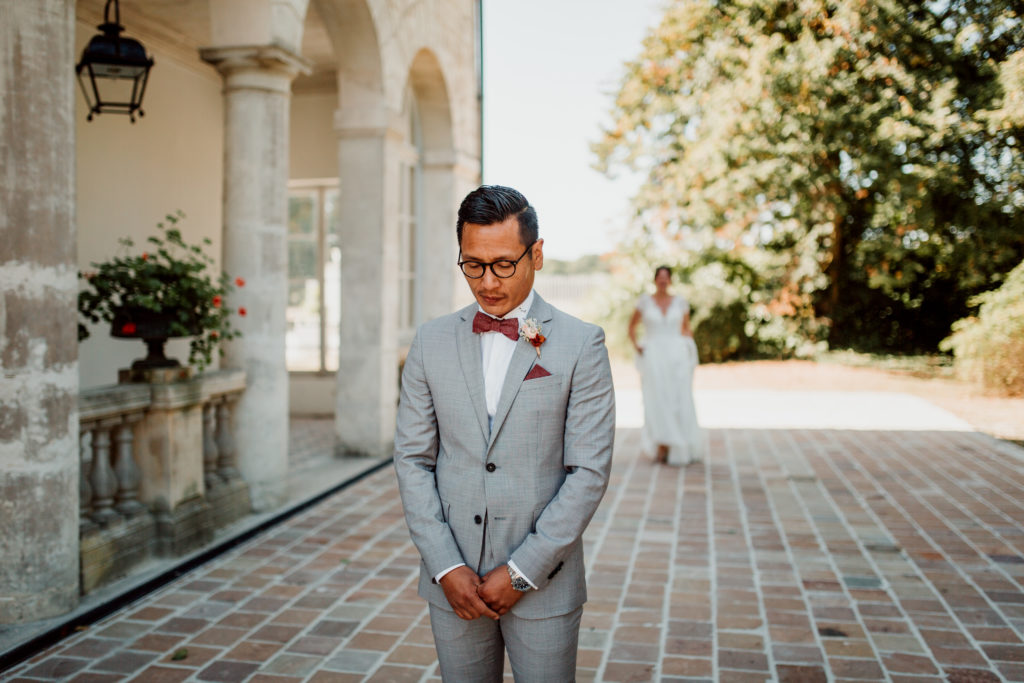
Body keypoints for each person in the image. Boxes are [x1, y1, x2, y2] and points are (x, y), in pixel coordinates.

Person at [393, 185, 616, 681]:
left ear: (536, 254)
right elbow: (412, 459)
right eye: (473, 264)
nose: (488, 282)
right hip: (453, 582)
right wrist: (445, 566)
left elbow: (588, 472)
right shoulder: (430, 341)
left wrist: (521, 573)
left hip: (545, 580)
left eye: (503, 264)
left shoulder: (582, 344)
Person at [628, 265, 704, 466]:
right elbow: (631, 327)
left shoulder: (680, 302)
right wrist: (638, 347)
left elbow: (686, 330)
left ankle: (679, 442)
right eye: (660, 278)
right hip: (654, 356)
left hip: (676, 355)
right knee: (657, 397)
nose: (663, 281)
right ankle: (662, 443)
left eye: (666, 278)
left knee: (678, 397)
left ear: (670, 280)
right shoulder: (644, 301)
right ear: (655, 280)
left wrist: (690, 351)